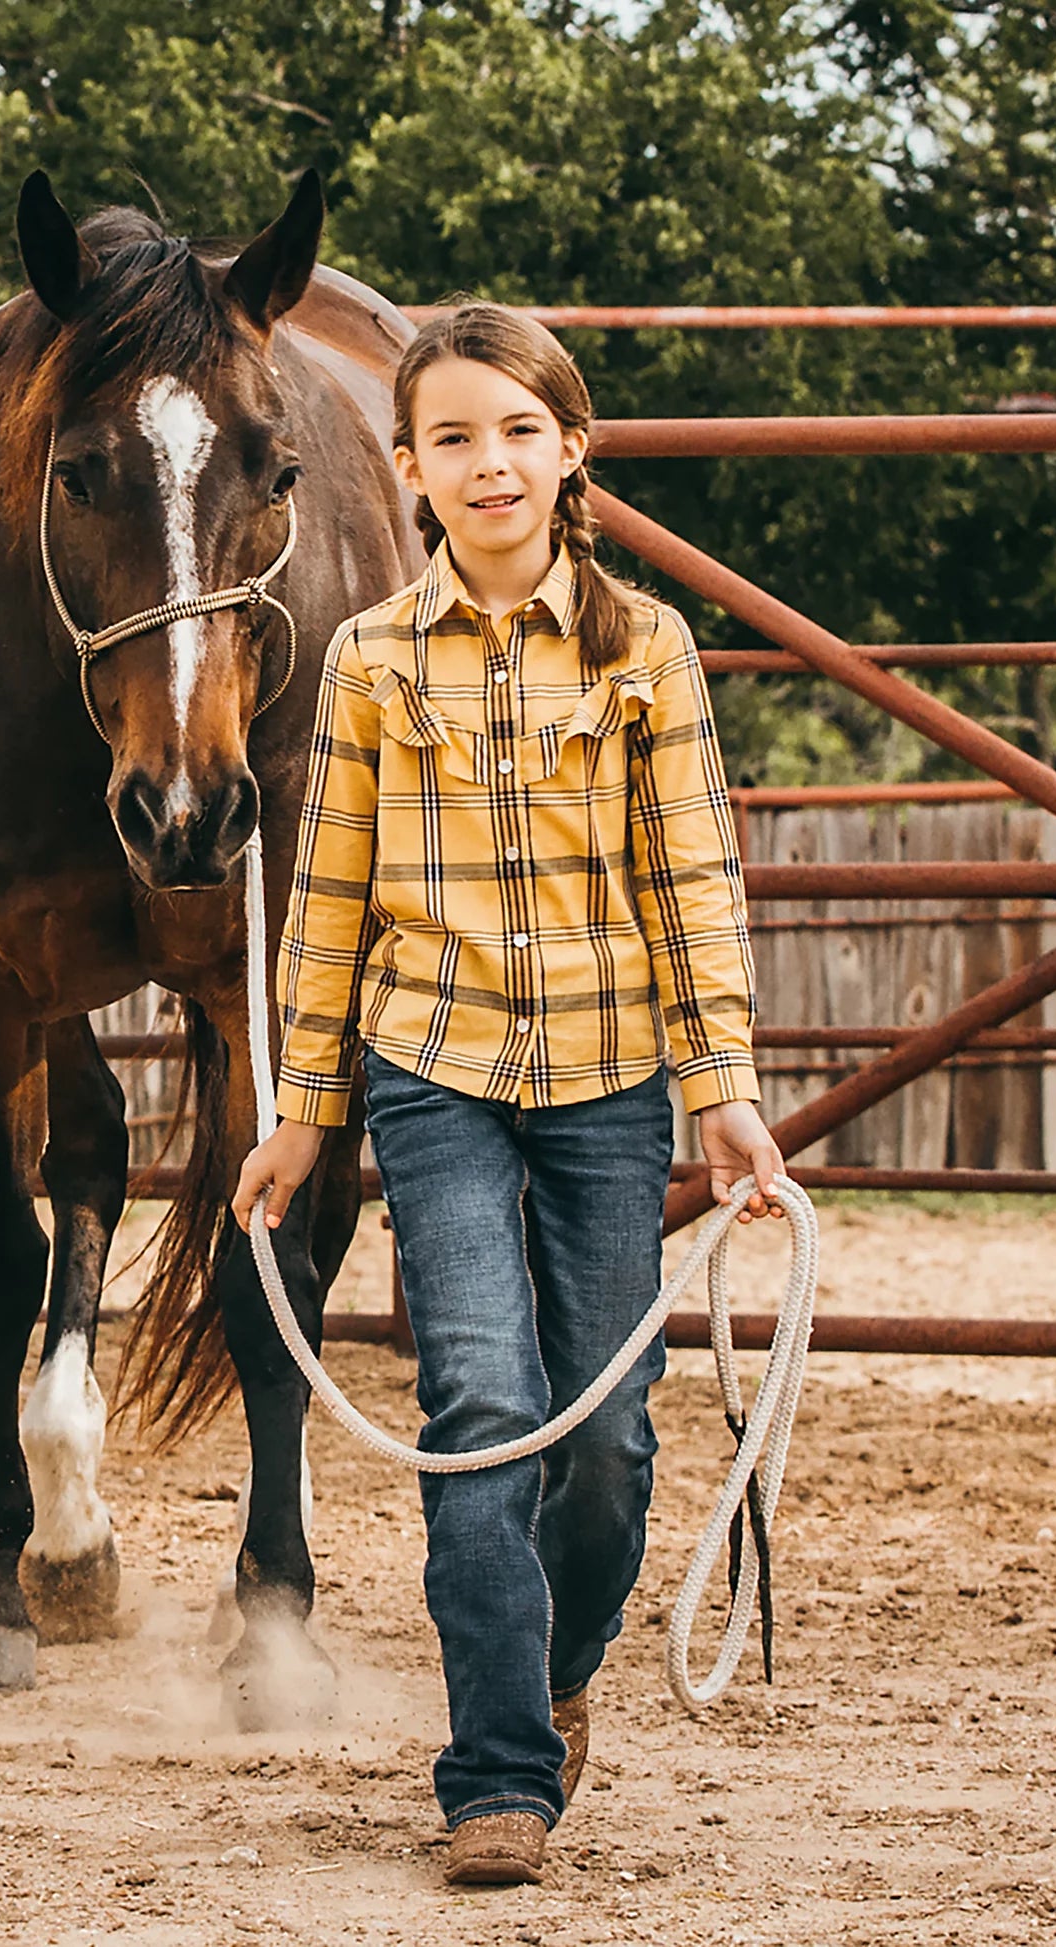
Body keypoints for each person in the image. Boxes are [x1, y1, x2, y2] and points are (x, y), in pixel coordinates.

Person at [233, 302, 785, 1886]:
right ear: (409, 469)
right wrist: (306, 1105)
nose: (491, 464)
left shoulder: (647, 653)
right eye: (455, 438)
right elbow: (328, 896)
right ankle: (495, 1780)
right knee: (480, 1409)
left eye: (519, 432)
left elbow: (695, 881)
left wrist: (723, 1087)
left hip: (612, 1081)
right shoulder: (368, 664)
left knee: (605, 1440)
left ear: (571, 451)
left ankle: (556, 1666)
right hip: (436, 1082)